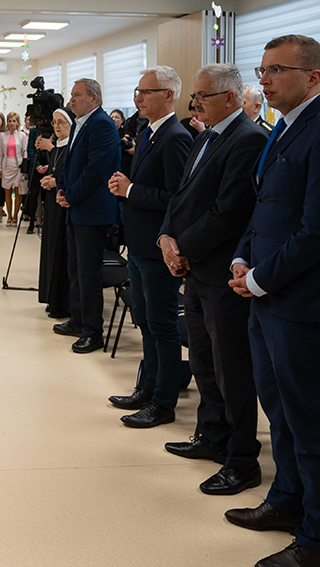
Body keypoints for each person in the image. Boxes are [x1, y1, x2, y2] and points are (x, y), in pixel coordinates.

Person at [226, 35, 320, 567]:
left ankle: (319, 538)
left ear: (313, 77)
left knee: (309, 420)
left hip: (304, 302)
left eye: (275, 70)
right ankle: (287, 500)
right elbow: (264, 209)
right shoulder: (282, 127)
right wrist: (243, 260)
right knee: (278, 411)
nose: (263, 79)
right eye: (261, 70)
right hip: (266, 294)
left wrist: (260, 278)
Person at [158, 64, 268, 497]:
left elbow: (229, 212)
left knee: (231, 368)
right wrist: (168, 237)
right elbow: (181, 197)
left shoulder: (249, 139)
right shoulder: (205, 136)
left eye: (203, 95)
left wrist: (183, 248)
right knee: (203, 359)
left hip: (222, 271)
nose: (195, 102)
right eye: (196, 95)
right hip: (196, 267)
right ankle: (212, 435)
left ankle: (242, 459)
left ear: (230, 98)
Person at [105, 67, 193, 426]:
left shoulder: (175, 137)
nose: (137, 97)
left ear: (169, 95)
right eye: (137, 90)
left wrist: (131, 190)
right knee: (144, 320)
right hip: (140, 245)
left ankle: (163, 400)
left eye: (146, 91)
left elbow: (177, 198)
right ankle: (148, 385)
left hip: (159, 246)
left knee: (162, 324)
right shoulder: (149, 132)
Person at [56, 78, 121, 354]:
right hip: (77, 208)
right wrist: (62, 188)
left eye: (77, 95)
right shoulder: (81, 123)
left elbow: (96, 170)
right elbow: (69, 163)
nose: (71, 100)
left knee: (89, 273)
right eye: (71, 95)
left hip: (92, 210)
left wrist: (70, 195)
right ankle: (79, 319)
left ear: (94, 99)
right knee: (75, 269)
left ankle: (93, 332)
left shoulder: (102, 124)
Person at [39, 108, 75, 319]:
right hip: (52, 206)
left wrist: (55, 180)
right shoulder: (57, 147)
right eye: (54, 122)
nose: (57, 126)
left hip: (63, 206)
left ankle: (62, 302)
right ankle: (51, 298)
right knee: (50, 249)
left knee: (62, 252)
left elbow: (68, 174)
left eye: (62, 122)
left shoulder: (71, 147)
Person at [0, 112, 26, 226]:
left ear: (18, 122)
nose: (12, 123)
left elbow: (25, 152)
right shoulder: (3, 136)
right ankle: (9, 216)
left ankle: (15, 216)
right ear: (7, 122)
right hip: (6, 166)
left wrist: (24, 168)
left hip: (18, 166)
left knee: (18, 192)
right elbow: (0, 154)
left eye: (14, 121)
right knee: (7, 192)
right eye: (10, 121)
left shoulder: (22, 136)